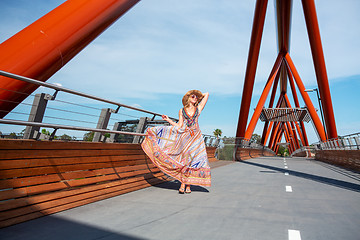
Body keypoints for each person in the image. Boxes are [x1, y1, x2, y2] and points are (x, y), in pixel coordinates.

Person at [141, 90, 211, 194]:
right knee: (185, 160)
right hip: (185, 137)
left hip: (196, 137)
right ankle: (184, 183)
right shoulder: (182, 111)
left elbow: (207, 94)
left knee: (193, 160)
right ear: (188, 98)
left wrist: (198, 95)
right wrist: (168, 120)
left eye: (196, 97)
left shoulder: (198, 109)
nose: (195, 98)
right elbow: (179, 125)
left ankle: (187, 185)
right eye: (193, 96)